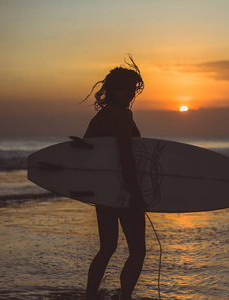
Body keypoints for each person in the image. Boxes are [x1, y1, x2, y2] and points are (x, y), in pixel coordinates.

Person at [83, 56, 146, 300]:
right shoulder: (122, 116)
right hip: (125, 191)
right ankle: (125, 296)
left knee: (107, 247)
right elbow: (125, 154)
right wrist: (136, 192)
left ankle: (89, 296)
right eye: (124, 89)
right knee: (138, 251)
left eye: (131, 90)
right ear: (112, 90)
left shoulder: (99, 118)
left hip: (104, 191)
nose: (129, 95)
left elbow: (89, 156)